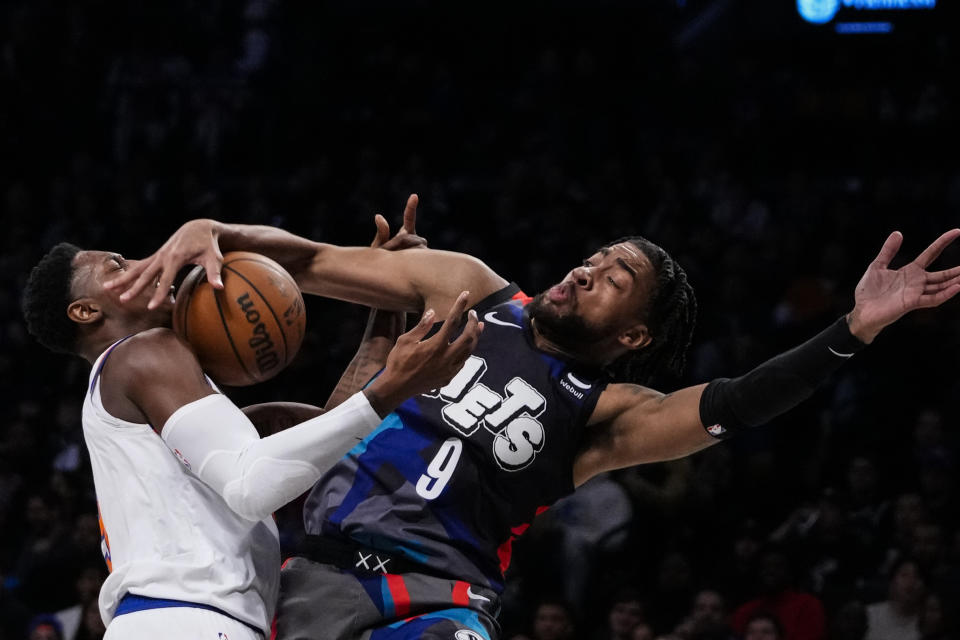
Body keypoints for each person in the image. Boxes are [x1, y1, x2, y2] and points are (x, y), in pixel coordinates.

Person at [110, 194, 960, 639]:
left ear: (631, 334)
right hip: (320, 573)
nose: (588, 270)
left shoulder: (606, 415)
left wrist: (851, 332)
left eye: (614, 277)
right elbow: (315, 260)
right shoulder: (474, 290)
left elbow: (735, 405)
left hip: (437, 602)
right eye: (595, 258)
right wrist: (214, 230)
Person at [20, 223, 481, 639]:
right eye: (118, 266)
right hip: (188, 620)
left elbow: (325, 441)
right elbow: (252, 485)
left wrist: (383, 300)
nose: (149, 262)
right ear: (84, 311)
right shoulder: (144, 352)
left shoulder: (137, 384)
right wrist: (394, 387)